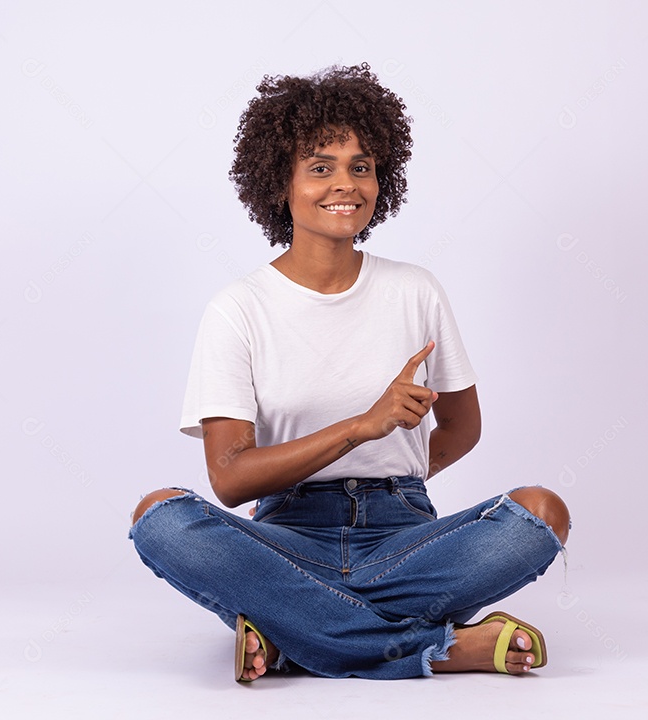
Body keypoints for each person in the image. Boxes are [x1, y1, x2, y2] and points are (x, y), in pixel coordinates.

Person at [128, 63, 570, 682]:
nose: (347, 184)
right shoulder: (238, 309)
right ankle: (437, 650)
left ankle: (289, 631)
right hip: (286, 537)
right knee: (160, 516)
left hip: (403, 538)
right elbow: (228, 480)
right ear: (279, 183)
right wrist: (361, 430)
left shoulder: (416, 291)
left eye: (361, 166)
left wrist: (395, 469)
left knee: (540, 513)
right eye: (320, 167)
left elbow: (462, 429)